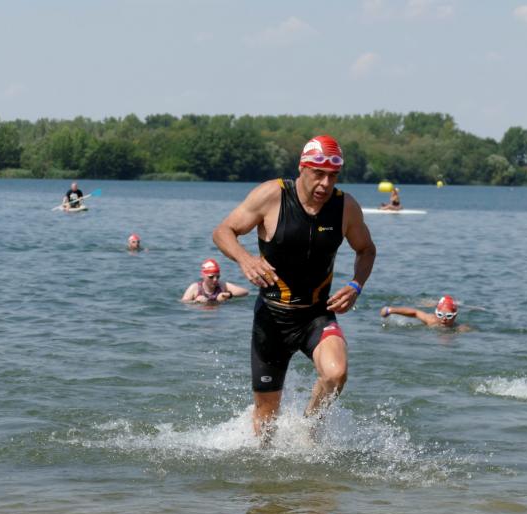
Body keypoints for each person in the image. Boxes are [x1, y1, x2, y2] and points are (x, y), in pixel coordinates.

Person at [212, 134, 377, 439]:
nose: (325, 184)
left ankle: (309, 430)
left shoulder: (345, 207)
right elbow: (223, 231)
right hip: (272, 319)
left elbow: (366, 249)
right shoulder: (271, 196)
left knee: (336, 374)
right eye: (318, 174)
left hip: (316, 314)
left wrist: (356, 284)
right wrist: (245, 259)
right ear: (302, 168)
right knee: (266, 423)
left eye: (333, 176)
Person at [380, 294, 468, 330]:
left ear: (455, 316)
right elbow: (415, 312)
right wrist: (390, 310)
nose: (444, 319)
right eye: (440, 315)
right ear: (435, 314)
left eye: (448, 316)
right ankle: (433, 303)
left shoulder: (460, 328)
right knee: (423, 303)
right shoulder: (431, 320)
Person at [181, 258, 249, 303]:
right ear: (203, 276)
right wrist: (195, 302)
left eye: (218, 277)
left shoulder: (221, 285)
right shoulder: (195, 288)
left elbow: (245, 292)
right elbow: (183, 303)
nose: (215, 279)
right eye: (211, 277)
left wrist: (228, 295)